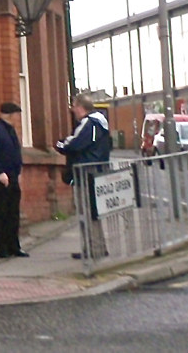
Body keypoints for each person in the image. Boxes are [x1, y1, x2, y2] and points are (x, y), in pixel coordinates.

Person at [56, 93, 111, 259]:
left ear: (80, 107)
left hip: (86, 172)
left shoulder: (89, 123)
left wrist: (59, 143)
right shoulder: (101, 124)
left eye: (74, 107)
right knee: (94, 212)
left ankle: (93, 250)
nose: (72, 110)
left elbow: (75, 143)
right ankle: (98, 247)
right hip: (97, 170)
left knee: (87, 211)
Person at [0, 101, 28, 258]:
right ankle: (1, 248)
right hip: (0, 180)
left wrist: (18, 172)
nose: (18, 118)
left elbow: (16, 154)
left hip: (13, 178)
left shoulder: (11, 131)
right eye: (16, 114)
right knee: (1, 213)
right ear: (9, 115)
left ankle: (14, 246)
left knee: (13, 213)